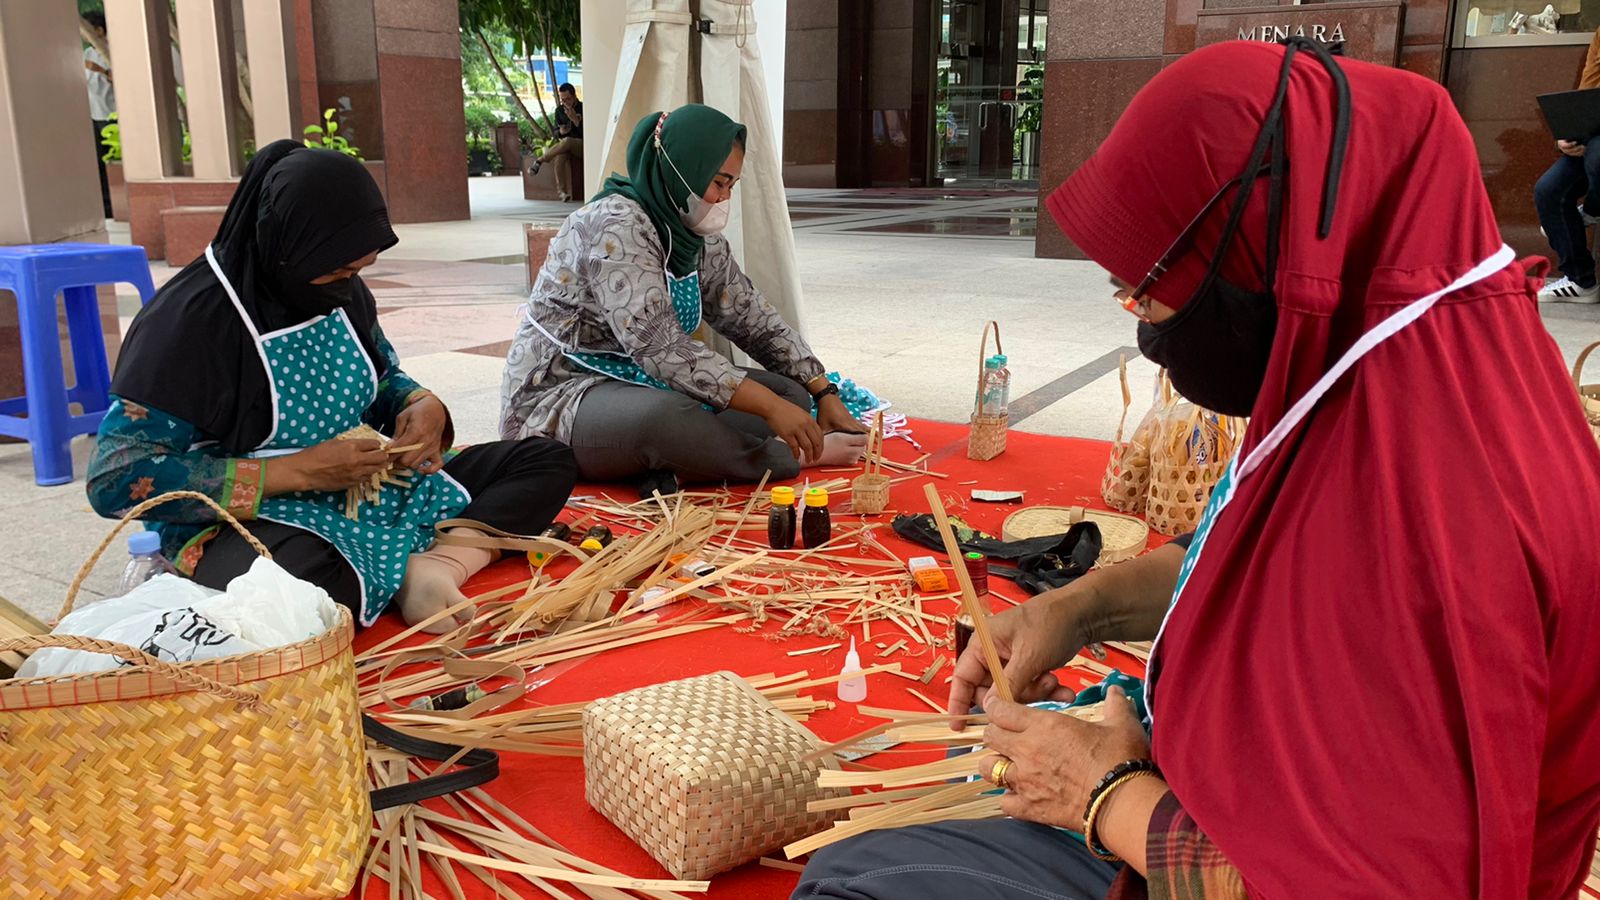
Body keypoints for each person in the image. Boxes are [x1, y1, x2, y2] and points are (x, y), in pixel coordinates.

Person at [798, 38, 1600, 899]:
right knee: (866, 864)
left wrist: (1102, 794)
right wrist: (1076, 611)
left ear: (1258, 247)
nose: (1137, 315)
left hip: (1205, 847)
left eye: (1147, 282)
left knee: (855, 887)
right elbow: (1240, 554)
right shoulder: (1395, 362)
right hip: (1210, 802)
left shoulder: (1432, 514)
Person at [89, 141, 577, 633]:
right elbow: (116, 478)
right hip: (261, 518)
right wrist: (294, 472)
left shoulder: (335, 286)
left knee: (545, 461)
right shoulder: (191, 324)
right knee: (287, 591)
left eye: (358, 271)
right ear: (284, 246)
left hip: (368, 490)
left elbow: (382, 376)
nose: (349, 286)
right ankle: (408, 568)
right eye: (339, 271)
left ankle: (440, 565)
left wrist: (419, 404)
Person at [501, 104, 865, 497]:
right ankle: (781, 459)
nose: (723, 199)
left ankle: (676, 465)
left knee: (788, 395)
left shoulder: (696, 237)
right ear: (681, 169)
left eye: (731, 187)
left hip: (645, 384)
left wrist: (822, 391)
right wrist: (771, 410)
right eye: (718, 182)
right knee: (665, 421)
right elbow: (660, 350)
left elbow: (751, 316)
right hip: (568, 393)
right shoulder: (615, 224)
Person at [1533, 27, 1600, 303]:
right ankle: (1581, 281)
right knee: (1549, 190)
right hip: (1595, 136)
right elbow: (1588, 91)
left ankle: (1593, 210)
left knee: (1598, 157)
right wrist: (1570, 134)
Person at [83, 11, 115, 219]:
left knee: (114, 164)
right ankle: (105, 206)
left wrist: (101, 70)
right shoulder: (87, 54)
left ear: (99, 30)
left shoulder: (111, 51)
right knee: (100, 164)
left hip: (112, 115)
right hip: (95, 115)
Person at [529, 82, 584, 202]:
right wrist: (561, 132)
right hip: (565, 146)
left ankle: (540, 160)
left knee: (568, 141)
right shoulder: (559, 110)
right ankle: (562, 192)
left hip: (581, 145)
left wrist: (576, 121)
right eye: (563, 100)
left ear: (574, 96)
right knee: (559, 157)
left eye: (568, 99)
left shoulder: (583, 108)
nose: (566, 102)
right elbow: (555, 132)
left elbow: (588, 132)